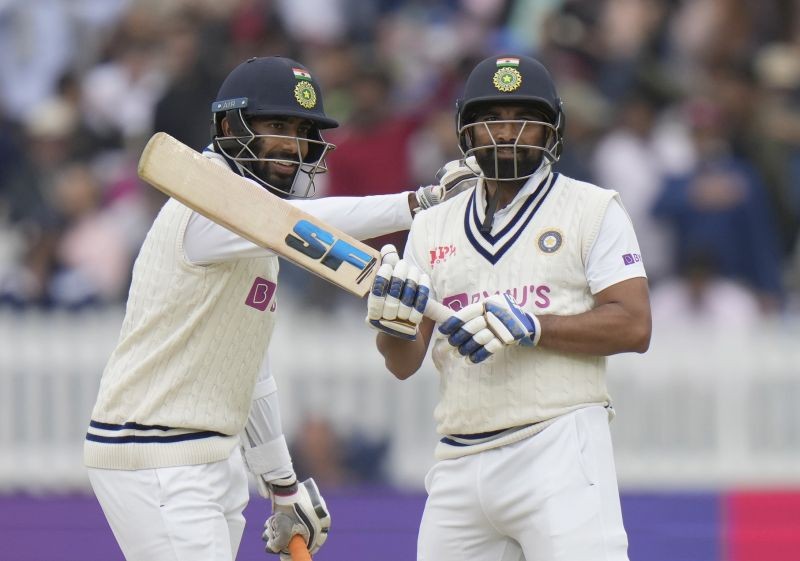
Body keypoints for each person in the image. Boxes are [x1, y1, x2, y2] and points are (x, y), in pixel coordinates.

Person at [83, 55, 461, 561]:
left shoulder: (257, 233)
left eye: (303, 130)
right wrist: (418, 202)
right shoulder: (205, 205)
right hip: (156, 451)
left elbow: (247, 365)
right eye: (277, 125)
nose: (292, 144)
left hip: (215, 455)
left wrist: (282, 482)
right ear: (228, 125)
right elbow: (297, 223)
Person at [366, 55, 652, 561]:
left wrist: (534, 327)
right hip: (458, 457)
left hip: (558, 443)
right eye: (492, 120)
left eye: (522, 119)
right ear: (468, 131)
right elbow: (403, 362)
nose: (506, 133)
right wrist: (390, 320)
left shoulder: (592, 208)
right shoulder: (433, 226)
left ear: (550, 131)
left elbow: (634, 325)